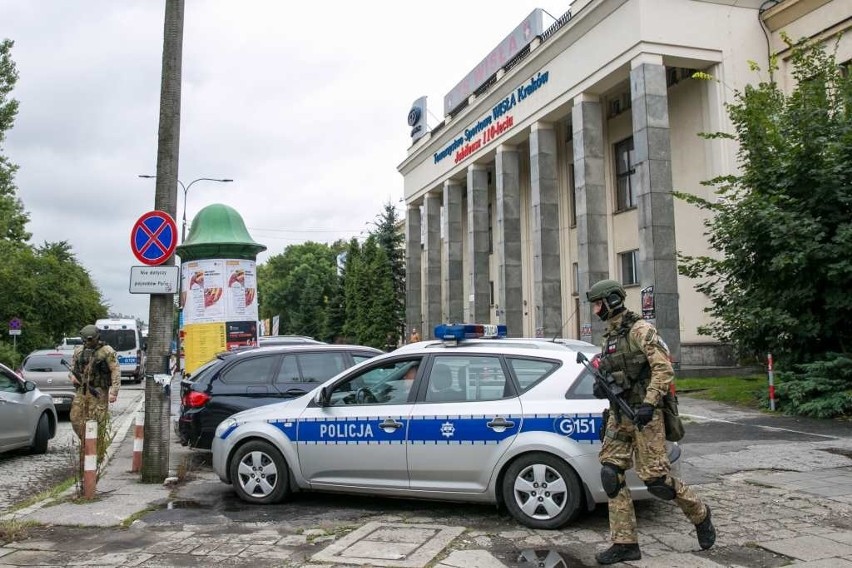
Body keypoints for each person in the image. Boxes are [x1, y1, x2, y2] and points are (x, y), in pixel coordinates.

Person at [587, 279, 715, 565]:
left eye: (597, 304)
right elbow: (612, 374)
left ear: (611, 301)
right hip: (619, 416)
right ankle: (625, 542)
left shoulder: (641, 330)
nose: (595, 310)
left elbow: (663, 369)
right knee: (610, 474)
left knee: (656, 480)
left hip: (645, 416)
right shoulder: (610, 336)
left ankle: (700, 514)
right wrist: (601, 388)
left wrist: (648, 404)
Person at [69, 324, 121, 444]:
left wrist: (114, 392)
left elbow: (115, 370)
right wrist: (72, 377)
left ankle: (97, 445)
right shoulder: (79, 351)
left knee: (98, 418)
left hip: (99, 391)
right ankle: (87, 442)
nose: (89, 342)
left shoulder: (107, 351)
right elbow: (73, 369)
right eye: (86, 340)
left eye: (91, 340)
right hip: (82, 390)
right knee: (75, 417)